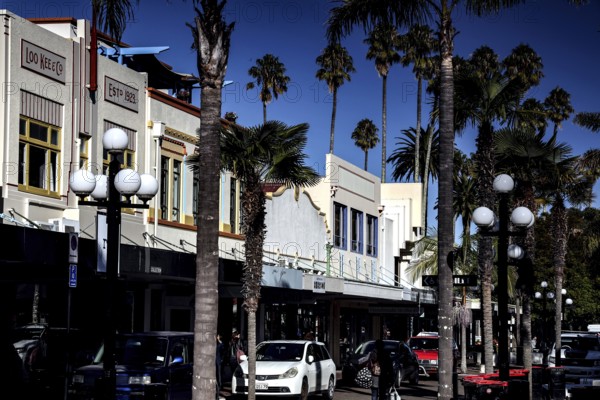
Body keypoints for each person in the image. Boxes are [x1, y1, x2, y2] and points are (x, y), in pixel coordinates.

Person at [215, 333, 225, 400]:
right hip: (214, 361)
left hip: (218, 361)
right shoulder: (214, 343)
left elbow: (222, 350)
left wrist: (221, 360)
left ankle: (219, 385)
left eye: (217, 336)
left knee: (218, 374)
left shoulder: (220, 344)